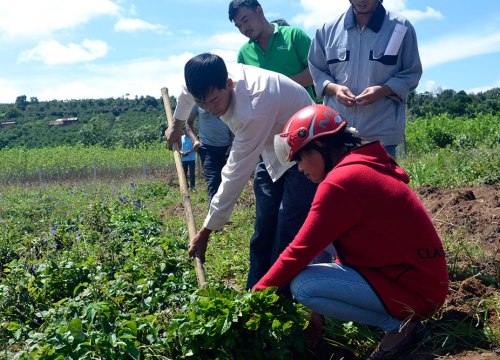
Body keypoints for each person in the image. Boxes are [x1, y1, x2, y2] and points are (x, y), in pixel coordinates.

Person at [254, 104, 449, 358]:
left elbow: (299, 251)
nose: (300, 168)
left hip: (415, 293)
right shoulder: (361, 167)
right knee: (312, 275)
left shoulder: (341, 182)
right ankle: (402, 320)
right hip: (421, 282)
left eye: (301, 157)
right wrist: (317, 314)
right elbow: (335, 247)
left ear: (322, 147)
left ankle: (401, 327)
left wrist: (255, 297)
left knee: (304, 285)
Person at [164, 53, 333, 291]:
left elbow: (235, 174)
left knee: (287, 224)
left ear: (229, 84)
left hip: (303, 148)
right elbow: (185, 92)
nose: (211, 110)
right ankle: (254, 291)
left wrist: (206, 230)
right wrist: (177, 122)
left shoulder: (253, 107)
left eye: (215, 100)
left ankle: (278, 296)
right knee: (264, 225)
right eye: (202, 104)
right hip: (269, 144)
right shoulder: (203, 86)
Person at [308, 0, 422, 158]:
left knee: (379, 182)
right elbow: (317, 70)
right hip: (337, 135)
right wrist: (335, 89)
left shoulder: (401, 28)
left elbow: (412, 73)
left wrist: (383, 90)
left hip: (381, 137)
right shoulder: (327, 30)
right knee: (339, 182)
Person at [228, 0, 316, 100]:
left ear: (259, 11)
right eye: (239, 26)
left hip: (303, 112)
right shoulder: (243, 54)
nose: (244, 29)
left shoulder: (294, 35)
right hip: (265, 115)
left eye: (245, 20)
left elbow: (317, 70)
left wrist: (279, 87)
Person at [185, 105, 233, 203]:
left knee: (227, 183)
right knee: (214, 181)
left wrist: (233, 142)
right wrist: (195, 140)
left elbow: (235, 122)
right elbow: (189, 123)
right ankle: (214, 217)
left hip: (227, 149)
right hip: (207, 148)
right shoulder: (197, 102)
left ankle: (222, 216)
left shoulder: (226, 97)